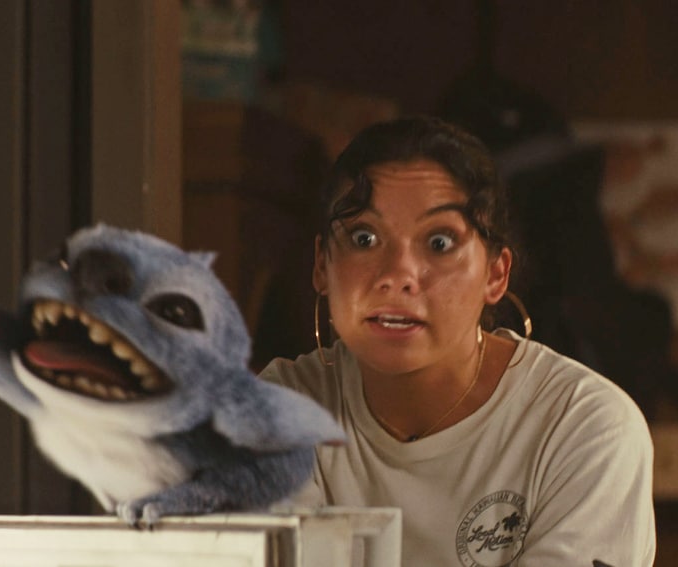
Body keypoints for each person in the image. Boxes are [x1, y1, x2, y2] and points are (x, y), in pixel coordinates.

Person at [259, 116, 655, 566]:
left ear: (496, 274)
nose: (398, 275)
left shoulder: (583, 428)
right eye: (364, 238)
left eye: (440, 243)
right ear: (321, 265)